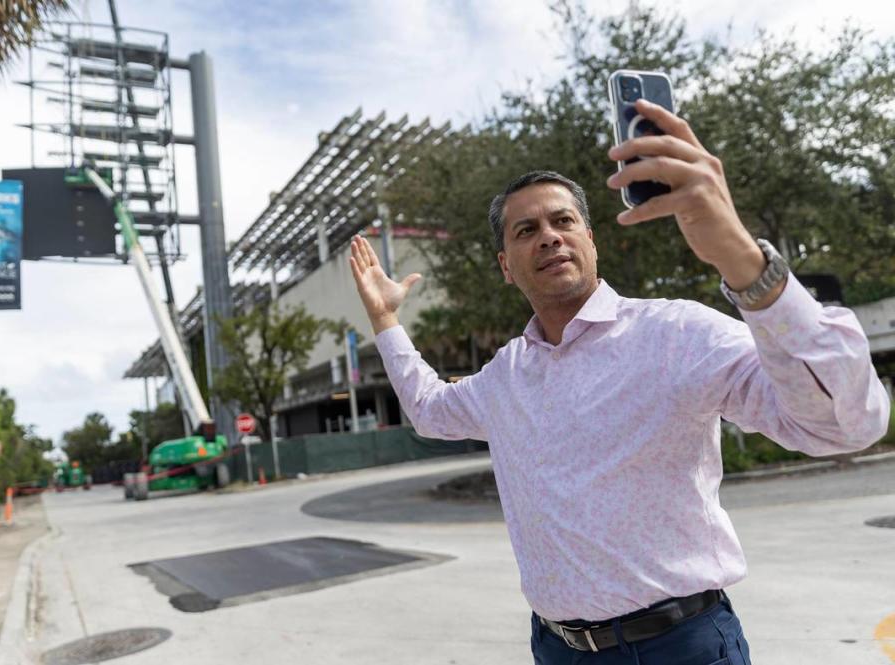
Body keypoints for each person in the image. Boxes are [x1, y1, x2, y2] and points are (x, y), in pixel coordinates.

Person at [348, 98, 890, 665]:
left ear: (590, 239)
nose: (550, 237)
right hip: (558, 649)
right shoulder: (506, 375)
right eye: (527, 229)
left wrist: (740, 257)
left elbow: (843, 426)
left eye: (564, 221)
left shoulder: (676, 334)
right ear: (506, 265)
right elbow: (430, 410)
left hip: (681, 647)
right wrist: (386, 320)